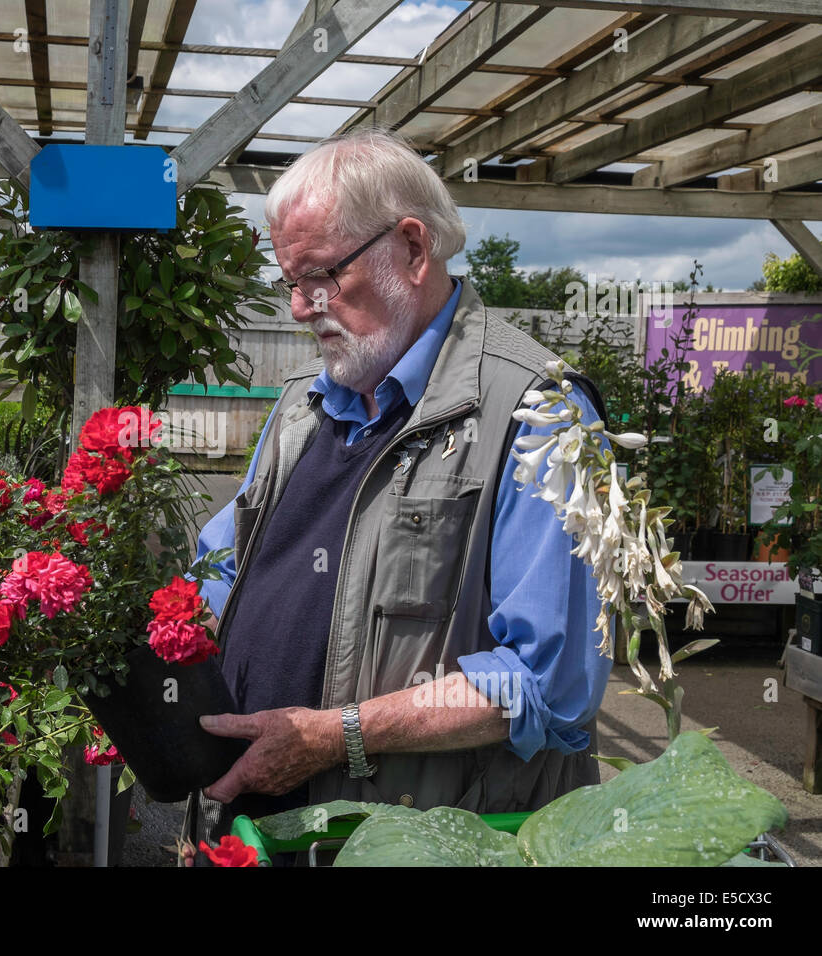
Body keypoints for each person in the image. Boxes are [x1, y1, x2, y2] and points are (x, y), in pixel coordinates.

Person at [191, 127, 614, 832]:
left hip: (411, 839)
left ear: (413, 250)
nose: (301, 307)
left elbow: (547, 683)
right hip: (256, 824)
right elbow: (222, 568)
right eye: (290, 282)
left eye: (321, 276)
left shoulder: (541, 413)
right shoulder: (304, 403)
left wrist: (335, 736)